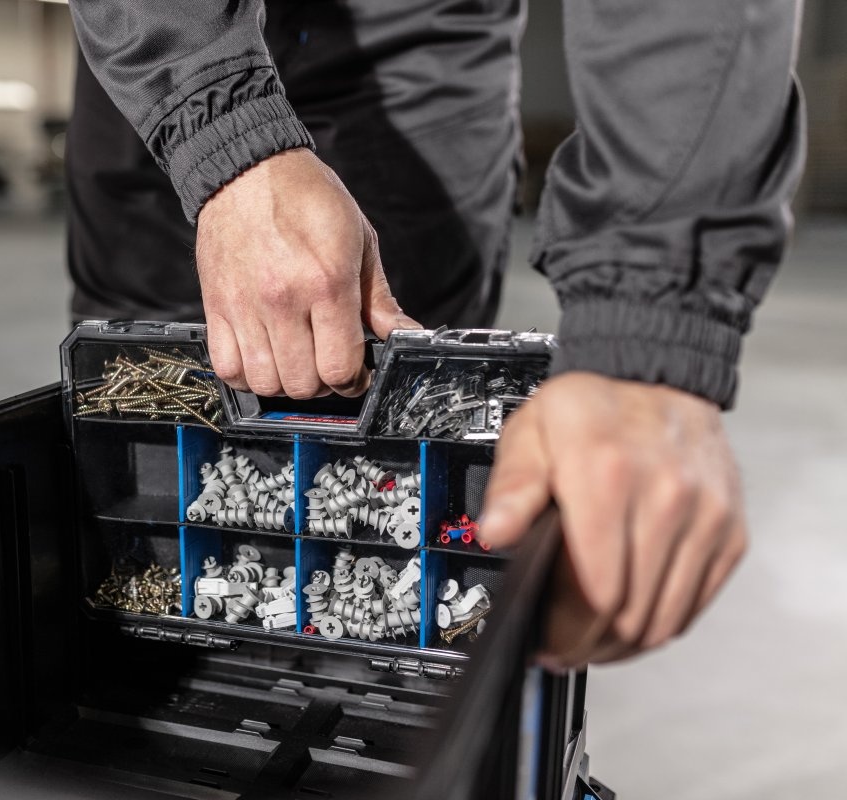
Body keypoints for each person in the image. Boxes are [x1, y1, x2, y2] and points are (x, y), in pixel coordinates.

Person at [64, 0, 805, 668]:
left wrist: (648, 320)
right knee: (138, 437)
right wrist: (217, 133)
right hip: (158, 50)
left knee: (402, 396)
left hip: (415, 59)